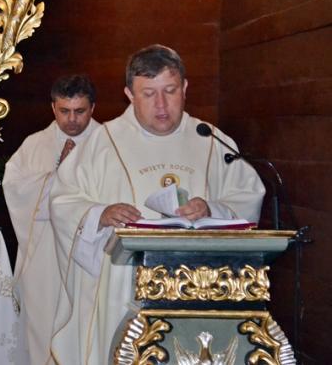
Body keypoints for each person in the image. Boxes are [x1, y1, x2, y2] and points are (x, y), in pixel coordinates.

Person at [48, 45, 265, 364]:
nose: (161, 105)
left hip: (200, 284)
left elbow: (248, 195)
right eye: (148, 94)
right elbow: (63, 199)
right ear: (129, 94)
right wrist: (100, 214)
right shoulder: (103, 142)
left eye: (170, 91)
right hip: (122, 284)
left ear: (185, 88)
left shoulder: (210, 140)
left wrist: (212, 209)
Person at [3, 74, 100, 365]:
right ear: (52, 107)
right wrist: (57, 176)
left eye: (80, 111)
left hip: (88, 254)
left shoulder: (108, 144)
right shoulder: (34, 145)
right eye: (64, 111)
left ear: (93, 108)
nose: (72, 120)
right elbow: (15, 189)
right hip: (43, 256)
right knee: (42, 326)